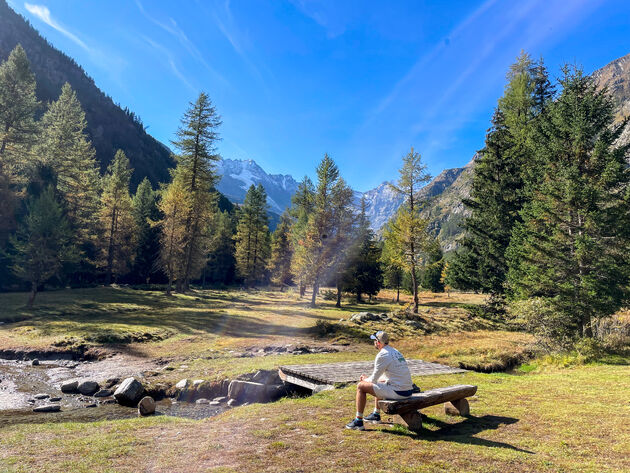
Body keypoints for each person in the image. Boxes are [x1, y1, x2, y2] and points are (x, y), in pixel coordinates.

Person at [345, 330, 414, 430]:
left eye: (374, 341)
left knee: (361, 386)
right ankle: (376, 415)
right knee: (380, 382)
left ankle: (358, 421)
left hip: (399, 392)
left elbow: (373, 379)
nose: (374, 343)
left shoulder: (383, 354)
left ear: (378, 342)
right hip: (407, 390)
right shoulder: (395, 351)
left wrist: (364, 379)